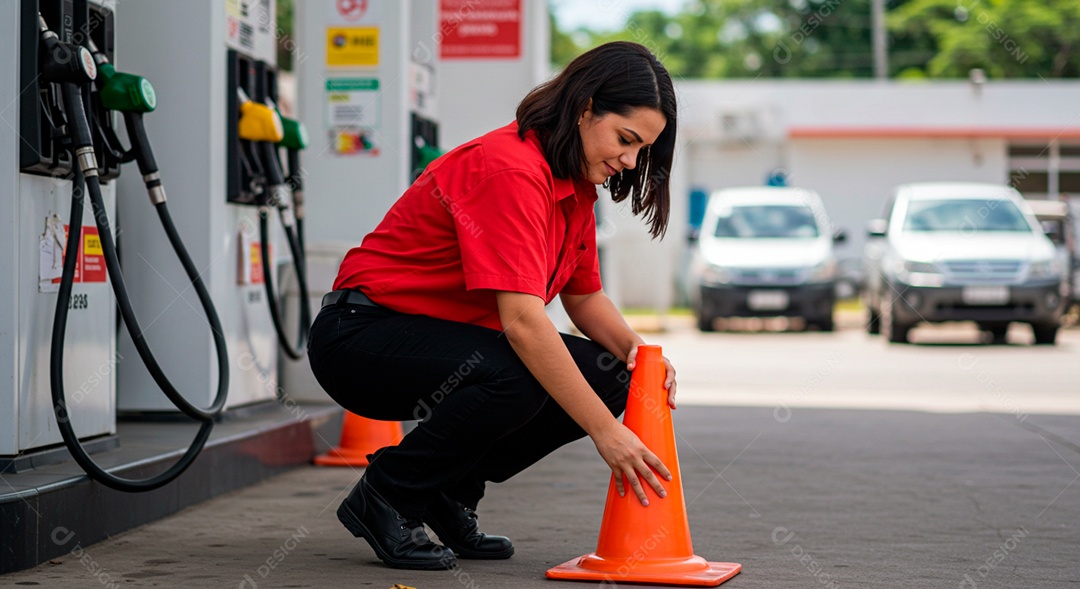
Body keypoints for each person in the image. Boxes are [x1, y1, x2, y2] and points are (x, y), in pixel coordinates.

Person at [307, 41, 679, 571]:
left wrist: (641, 358)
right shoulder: (511, 170)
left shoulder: (574, 186)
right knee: (522, 369)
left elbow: (584, 295)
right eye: (625, 140)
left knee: (609, 374)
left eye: (642, 149)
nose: (630, 161)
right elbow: (525, 323)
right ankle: (388, 494)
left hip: (436, 344)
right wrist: (607, 433)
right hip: (360, 337)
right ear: (585, 108)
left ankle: (448, 493)